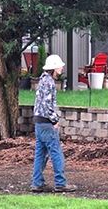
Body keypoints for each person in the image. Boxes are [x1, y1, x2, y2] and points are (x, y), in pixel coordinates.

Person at [31, 54, 76, 193]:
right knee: (56, 152)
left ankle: (37, 183)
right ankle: (60, 183)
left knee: (40, 153)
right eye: (60, 65)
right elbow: (47, 104)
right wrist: (55, 120)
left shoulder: (42, 80)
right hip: (47, 123)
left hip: (39, 122)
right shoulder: (49, 82)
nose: (62, 67)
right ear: (54, 67)